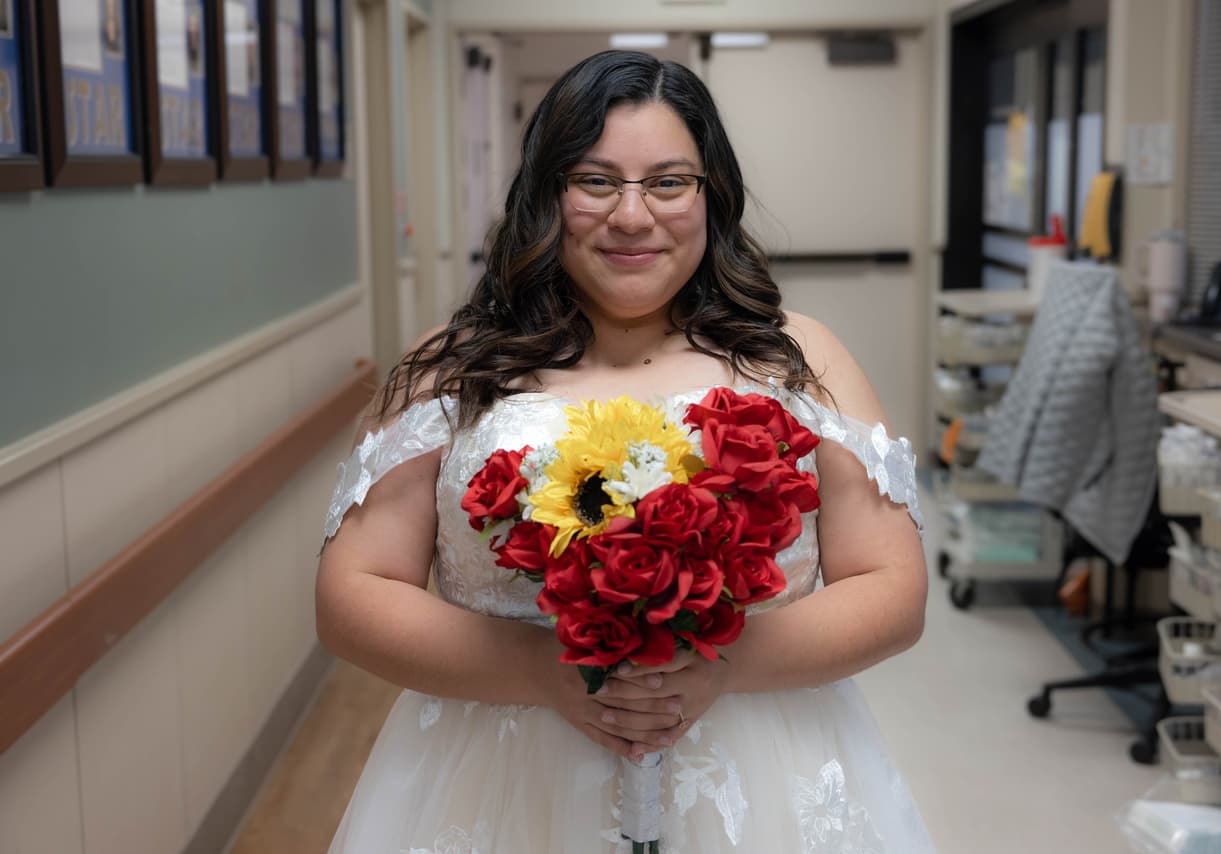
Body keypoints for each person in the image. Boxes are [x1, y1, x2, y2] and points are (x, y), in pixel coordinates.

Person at [317, 50, 933, 853]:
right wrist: (543, 671)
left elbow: (893, 584)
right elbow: (351, 592)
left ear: (711, 195)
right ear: (546, 194)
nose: (633, 216)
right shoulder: (457, 364)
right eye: (596, 181)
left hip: (759, 771)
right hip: (502, 775)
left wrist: (725, 664)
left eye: (669, 182)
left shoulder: (798, 360)